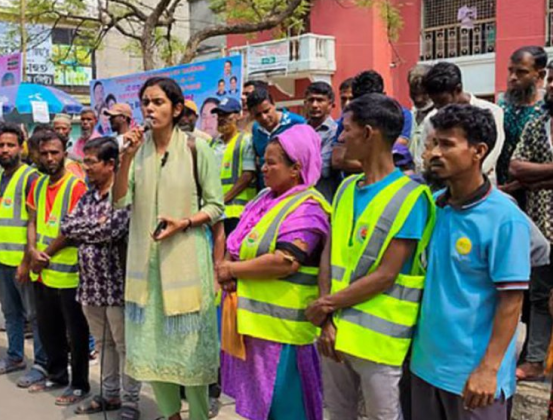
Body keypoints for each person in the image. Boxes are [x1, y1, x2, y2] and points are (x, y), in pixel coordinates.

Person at [306, 93, 436, 420]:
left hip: (380, 343)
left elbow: (386, 275)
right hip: (334, 331)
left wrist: (326, 306)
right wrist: (327, 319)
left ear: (368, 133)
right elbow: (329, 256)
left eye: (346, 129)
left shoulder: (411, 197)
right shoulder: (348, 187)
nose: (340, 136)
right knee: (337, 413)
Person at [115, 77, 224, 420]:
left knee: (189, 355)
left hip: (187, 265)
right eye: (145, 102)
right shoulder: (138, 151)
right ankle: (170, 416)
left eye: (158, 102)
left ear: (177, 109)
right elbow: (120, 202)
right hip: (145, 269)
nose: (149, 108)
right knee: (155, 353)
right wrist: (126, 158)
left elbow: (216, 206)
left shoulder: (197, 147)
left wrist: (185, 222)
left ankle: (199, 416)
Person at [411, 104, 529, 420]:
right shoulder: (435, 207)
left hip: (474, 380)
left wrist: (488, 370)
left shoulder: (504, 218)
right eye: (433, 143)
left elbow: (511, 300)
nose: (434, 152)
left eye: (447, 144)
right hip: (425, 368)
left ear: (478, 151)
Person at [217, 124, 331, 420]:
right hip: (256, 327)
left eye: (271, 162)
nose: (264, 169)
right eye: (262, 161)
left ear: (296, 167)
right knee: (261, 407)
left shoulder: (308, 206)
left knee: (288, 407)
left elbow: (285, 260)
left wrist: (232, 269)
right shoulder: (264, 200)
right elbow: (241, 242)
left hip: (286, 332)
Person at [62, 137, 142, 418]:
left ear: (111, 165)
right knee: (104, 343)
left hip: (117, 285)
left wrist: (92, 228)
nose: (86, 167)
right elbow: (67, 225)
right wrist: (92, 226)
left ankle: (131, 401)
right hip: (90, 286)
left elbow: (113, 230)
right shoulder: (87, 196)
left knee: (125, 345)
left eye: (91, 162)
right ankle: (110, 395)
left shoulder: (123, 195)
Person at [24, 129, 91, 405]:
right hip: (42, 271)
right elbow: (31, 220)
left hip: (69, 273)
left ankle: (80, 384)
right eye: (44, 153)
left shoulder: (76, 186)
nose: (50, 158)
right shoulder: (37, 184)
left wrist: (44, 254)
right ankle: (57, 374)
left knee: (76, 332)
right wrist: (30, 250)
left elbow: (74, 231)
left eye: (55, 152)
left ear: (65, 152)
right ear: (37, 155)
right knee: (49, 328)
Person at [0, 123, 46, 386]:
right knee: (10, 313)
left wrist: (26, 260)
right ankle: (15, 356)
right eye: (1, 145)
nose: (5, 150)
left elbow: (36, 222)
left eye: (11, 145)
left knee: (34, 315)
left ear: (21, 147)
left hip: (22, 261)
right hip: (0, 259)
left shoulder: (30, 177)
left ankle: (41, 364)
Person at [510, 64, 553, 382]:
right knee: (539, 296)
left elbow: (529, 172)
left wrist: (539, 174)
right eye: (552, 82)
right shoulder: (539, 125)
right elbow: (516, 167)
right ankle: (536, 359)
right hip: (543, 226)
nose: (551, 88)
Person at [422, 62, 505, 185]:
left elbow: (491, 156)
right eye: (435, 103)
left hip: (481, 187)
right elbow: (424, 159)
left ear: (458, 89)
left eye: (443, 101)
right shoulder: (431, 119)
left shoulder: (491, 112)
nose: (440, 108)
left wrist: (458, 176)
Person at [332, 71, 413, 174]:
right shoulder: (349, 117)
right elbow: (337, 159)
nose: (342, 137)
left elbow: (390, 151)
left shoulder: (400, 114)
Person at [498, 46, 548, 186]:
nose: (513, 78)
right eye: (511, 71)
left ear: (540, 75)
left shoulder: (546, 112)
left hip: (538, 194)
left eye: (521, 72)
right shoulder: (501, 108)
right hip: (502, 192)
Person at [210, 97, 256, 234]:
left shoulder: (246, 140)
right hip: (216, 210)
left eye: (226, 114)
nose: (221, 118)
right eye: (219, 115)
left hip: (238, 211)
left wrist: (223, 199)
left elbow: (248, 176)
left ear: (237, 116)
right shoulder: (212, 144)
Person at [247, 87, 306, 189]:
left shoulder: (297, 123)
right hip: (267, 192)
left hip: (293, 190)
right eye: (258, 115)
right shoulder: (256, 129)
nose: (264, 117)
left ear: (274, 103)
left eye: (266, 111)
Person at [304, 81, 340, 201]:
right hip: (299, 199)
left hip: (323, 199)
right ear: (305, 103)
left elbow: (323, 169)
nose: (314, 105)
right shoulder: (300, 130)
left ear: (330, 105)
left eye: (320, 100)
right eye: (311, 100)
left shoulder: (335, 132)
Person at [407, 64, 434, 172]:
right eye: (414, 94)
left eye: (424, 94)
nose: (418, 99)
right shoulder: (409, 115)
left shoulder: (439, 118)